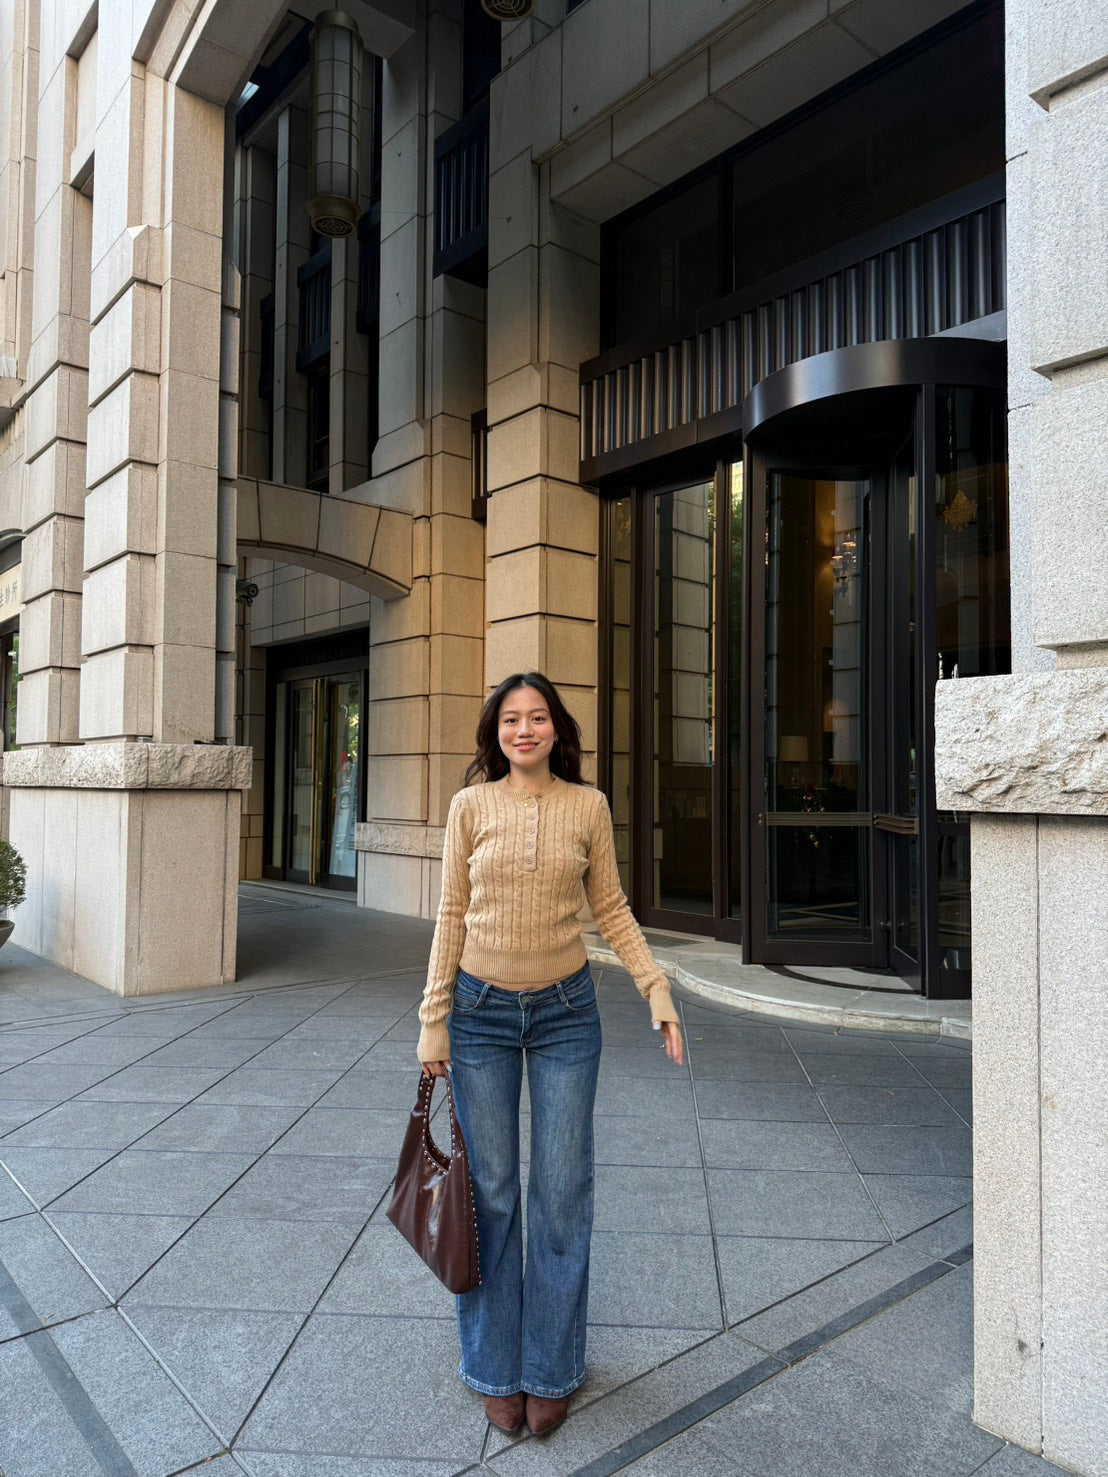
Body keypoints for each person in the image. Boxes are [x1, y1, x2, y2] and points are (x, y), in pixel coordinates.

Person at [417, 671, 684, 1439]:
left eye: (537, 718)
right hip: (479, 1015)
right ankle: (495, 1366)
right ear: (495, 731)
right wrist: (433, 1020)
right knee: (492, 1194)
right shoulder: (470, 807)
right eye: (510, 718)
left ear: (557, 729)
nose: (523, 729)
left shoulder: (587, 806)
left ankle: (553, 1367)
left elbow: (612, 907)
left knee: (562, 1193)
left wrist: (655, 988)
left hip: (568, 1013)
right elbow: (450, 915)